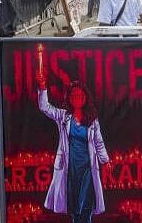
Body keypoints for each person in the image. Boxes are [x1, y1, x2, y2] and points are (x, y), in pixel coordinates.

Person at [36, 75, 109, 223]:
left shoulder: (92, 119)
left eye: (80, 95)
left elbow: (98, 141)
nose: (77, 97)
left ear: (85, 97)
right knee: (74, 208)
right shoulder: (63, 116)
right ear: (69, 98)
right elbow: (45, 107)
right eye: (74, 95)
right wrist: (43, 87)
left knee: (87, 206)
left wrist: (105, 160)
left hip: (88, 168)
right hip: (70, 168)